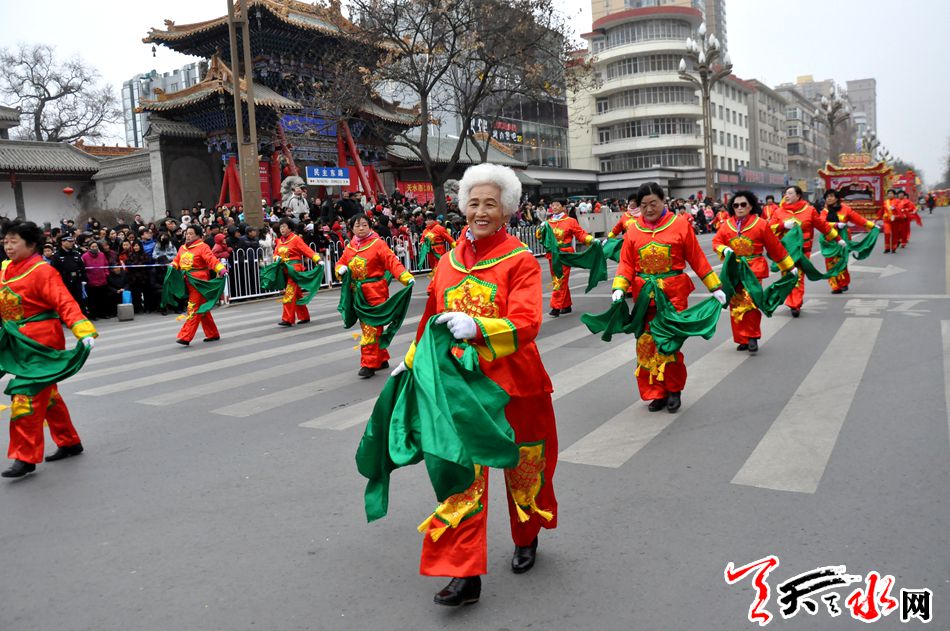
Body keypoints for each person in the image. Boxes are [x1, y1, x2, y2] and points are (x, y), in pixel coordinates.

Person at [389, 163, 558, 606]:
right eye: (474, 203)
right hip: (461, 390)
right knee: (463, 477)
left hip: (516, 386)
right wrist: (412, 360)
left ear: (508, 210)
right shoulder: (446, 262)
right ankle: (464, 574)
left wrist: (479, 327)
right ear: (463, 206)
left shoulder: (520, 260)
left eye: (490, 204)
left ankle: (527, 535)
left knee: (525, 469)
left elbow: (528, 321)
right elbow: (431, 318)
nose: (481, 211)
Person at [611, 182, 726, 412]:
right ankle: (656, 392)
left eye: (653, 203)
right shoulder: (633, 231)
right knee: (645, 344)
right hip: (645, 298)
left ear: (663, 201)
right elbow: (626, 264)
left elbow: (697, 258)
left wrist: (715, 287)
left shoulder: (680, 225)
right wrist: (619, 288)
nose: (649, 209)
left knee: (668, 344)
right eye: (644, 205)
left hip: (673, 296)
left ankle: (673, 389)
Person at [0, 221, 96, 478]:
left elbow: (64, 301)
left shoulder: (43, 271)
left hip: (42, 340)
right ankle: (69, 441)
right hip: (17, 339)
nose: (8, 246)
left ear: (31, 245)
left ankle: (25, 456)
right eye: (6, 241)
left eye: (14, 242)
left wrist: (83, 330)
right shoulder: (5, 268)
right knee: (48, 393)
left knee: (25, 395)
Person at [713, 191, 796, 352]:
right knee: (736, 303)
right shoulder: (727, 225)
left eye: (743, 204)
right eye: (736, 205)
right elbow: (716, 241)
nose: (739, 208)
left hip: (754, 268)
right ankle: (741, 339)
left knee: (750, 301)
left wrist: (789, 266)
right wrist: (724, 249)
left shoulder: (761, 224)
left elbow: (775, 247)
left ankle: (752, 336)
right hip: (734, 269)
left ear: (750, 206)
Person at [335, 213, 414, 377]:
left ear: (370, 226)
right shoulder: (351, 247)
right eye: (357, 226)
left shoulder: (378, 244)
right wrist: (340, 269)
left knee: (371, 327)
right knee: (370, 327)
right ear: (351, 229)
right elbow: (342, 261)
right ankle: (381, 357)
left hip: (375, 291)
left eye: (364, 225)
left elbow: (392, 261)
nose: (361, 228)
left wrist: (405, 277)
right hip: (358, 294)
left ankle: (368, 364)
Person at [769, 185, 843, 317]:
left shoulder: (809, 210)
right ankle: (792, 300)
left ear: (798, 196)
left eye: (790, 193)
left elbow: (823, 226)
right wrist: (783, 225)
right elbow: (769, 229)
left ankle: (795, 304)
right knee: (787, 276)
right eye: (785, 193)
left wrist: (838, 239)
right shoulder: (779, 212)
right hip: (785, 251)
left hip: (802, 251)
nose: (786, 196)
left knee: (798, 276)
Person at [169, 225, 227, 345]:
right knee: (203, 309)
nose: (188, 236)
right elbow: (177, 260)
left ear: (198, 235)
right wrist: (173, 266)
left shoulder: (202, 247)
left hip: (199, 283)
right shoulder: (182, 248)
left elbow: (211, 259)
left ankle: (186, 336)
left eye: (191, 233)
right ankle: (212, 333)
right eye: (187, 233)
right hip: (187, 281)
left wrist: (221, 269)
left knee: (193, 307)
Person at [537, 198, 595, 317]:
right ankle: (566, 305)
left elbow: (580, 234)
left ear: (563, 207)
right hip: (553, 255)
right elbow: (541, 238)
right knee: (558, 279)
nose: (554, 207)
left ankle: (555, 307)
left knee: (560, 280)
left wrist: (591, 240)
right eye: (552, 205)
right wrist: (540, 230)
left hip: (565, 255)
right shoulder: (549, 222)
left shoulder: (570, 221)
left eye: (557, 205)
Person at [820, 189, 877, 294]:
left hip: (843, 240)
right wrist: (835, 225)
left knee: (842, 261)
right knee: (830, 263)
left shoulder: (846, 209)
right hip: (829, 241)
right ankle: (835, 286)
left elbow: (858, 219)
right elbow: (822, 224)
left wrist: (872, 226)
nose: (829, 198)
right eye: (827, 197)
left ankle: (843, 283)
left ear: (837, 198)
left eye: (831, 196)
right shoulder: (824, 211)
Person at [272, 219, 322, 326]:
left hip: (294, 270)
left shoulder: (296, 239)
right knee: (297, 294)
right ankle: (304, 316)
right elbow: (275, 253)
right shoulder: (280, 241)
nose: (282, 229)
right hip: (284, 270)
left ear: (290, 228)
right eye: (281, 227)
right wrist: (276, 258)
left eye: (284, 227)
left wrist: (317, 259)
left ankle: (287, 319)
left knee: (289, 293)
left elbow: (306, 250)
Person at [49, 233, 88, 316]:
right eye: (69, 241)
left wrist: (84, 279)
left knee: (79, 301)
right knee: (66, 303)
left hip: (76, 282)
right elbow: (54, 271)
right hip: (64, 283)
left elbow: (82, 268)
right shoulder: (57, 256)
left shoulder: (76, 254)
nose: (71, 243)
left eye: (72, 241)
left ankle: (80, 316)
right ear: (62, 242)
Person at [81, 241, 110, 320]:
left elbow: (106, 265)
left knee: (103, 298)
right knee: (92, 299)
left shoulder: (102, 255)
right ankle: (94, 314)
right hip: (91, 281)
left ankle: (103, 313)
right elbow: (83, 268)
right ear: (89, 248)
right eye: (93, 247)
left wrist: (106, 273)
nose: (95, 248)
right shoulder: (84, 256)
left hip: (102, 279)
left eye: (96, 246)